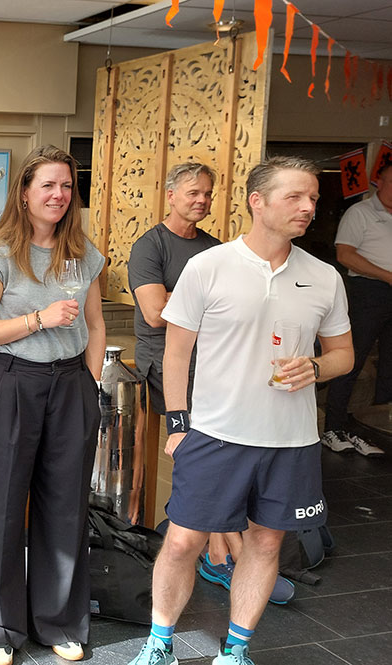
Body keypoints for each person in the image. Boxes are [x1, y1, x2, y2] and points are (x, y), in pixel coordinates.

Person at [127, 155, 353, 665]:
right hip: (215, 433)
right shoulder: (208, 266)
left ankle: (234, 651)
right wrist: (178, 424)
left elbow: (344, 354)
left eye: (313, 198)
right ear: (258, 202)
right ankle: (159, 644)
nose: (308, 207)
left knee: (266, 545)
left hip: (291, 440)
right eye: (295, 196)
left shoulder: (324, 277)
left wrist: (316, 367)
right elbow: (176, 352)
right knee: (182, 542)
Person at [0, 145, 106, 665]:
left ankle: (59, 622)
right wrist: (38, 320)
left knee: (66, 505)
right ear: (24, 193)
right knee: (1, 504)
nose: (58, 195)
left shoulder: (84, 254)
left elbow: (95, 324)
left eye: (66, 186)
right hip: (17, 381)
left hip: (71, 385)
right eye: (47, 185)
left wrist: (90, 386)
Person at [127, 162, 295, 605]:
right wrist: (207, 303)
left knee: (223, 459)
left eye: (207, 194)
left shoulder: (214, 248)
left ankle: (226, 553)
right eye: (192, 193)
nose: (201, 200)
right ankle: (223, 556)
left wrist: (203, 304)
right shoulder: (150, 246)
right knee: (201, 457)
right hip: (169, 366)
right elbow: (155, 313)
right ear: (170, 195)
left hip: (218, 366)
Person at [322, 161, 392, 456]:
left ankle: (378, 429)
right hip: (369, 291)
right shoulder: (360, 212)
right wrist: (388, 276)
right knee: (351, 358)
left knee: (389, 364)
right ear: (379, 182)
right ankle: (333, 428)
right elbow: (345, 255)